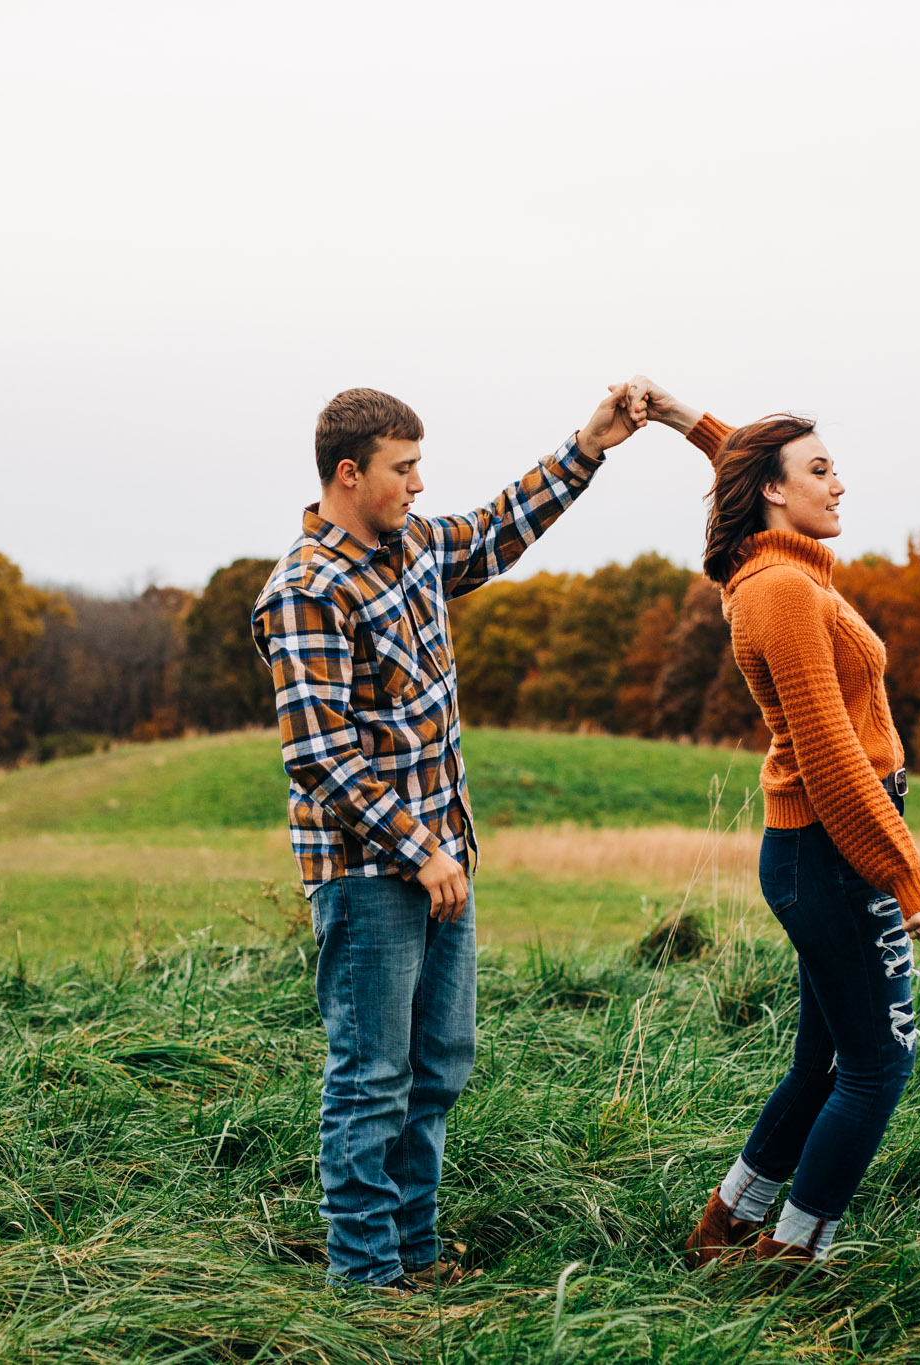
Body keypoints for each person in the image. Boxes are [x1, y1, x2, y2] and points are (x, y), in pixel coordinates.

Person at [253, 382, 652, 1296]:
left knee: (437, 1069)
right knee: (371, 1078)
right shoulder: (306, 591)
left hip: (443, 861)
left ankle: (416, 1255)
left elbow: (500, 527)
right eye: (404, 468)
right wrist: (419, 850)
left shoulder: (414, 550)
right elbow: (321, 758)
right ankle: (364, 1276)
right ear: (349, 474)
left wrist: (591, 444)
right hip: (369, 874)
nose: (420, 484)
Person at [639, 381, 920, 1266]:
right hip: (834, 847)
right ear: (777, 491)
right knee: (878, 1065)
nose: (839, 484)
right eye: (821, 470)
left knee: (826, 1060)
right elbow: (832, 759)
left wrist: (682, 420)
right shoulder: (780, 590)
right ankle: (794, 1256)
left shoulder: (776, 564)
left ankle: (729, 1223)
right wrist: (908, 878)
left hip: (824, 848)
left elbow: (748, 457)